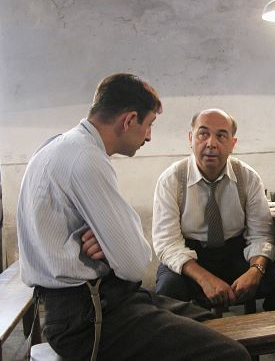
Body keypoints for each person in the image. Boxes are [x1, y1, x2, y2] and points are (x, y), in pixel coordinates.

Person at [17, 74, 250, 361]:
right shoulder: (85, 159)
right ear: (129, 120)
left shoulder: (59, 145)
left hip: (99, 301)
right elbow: (136, 263)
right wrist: (117, 245)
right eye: (149, 124)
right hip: (87, 318)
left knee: (217, 325)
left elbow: (126, 255)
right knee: (231, 355)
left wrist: (113, 243)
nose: (149, 136)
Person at [152, 108, 275, 311]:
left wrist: (255, 271)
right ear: (190, 138)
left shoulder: (247, 177)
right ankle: (190, 342)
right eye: (203, 134)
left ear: (232, 144)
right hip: (190, 258)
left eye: (221, 136)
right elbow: (167, 244)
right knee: (167, 292)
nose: (211, 143)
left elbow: (261, 235)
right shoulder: (172, 179)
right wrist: (205, 279)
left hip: (235, 254)